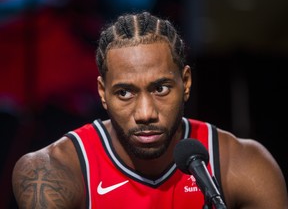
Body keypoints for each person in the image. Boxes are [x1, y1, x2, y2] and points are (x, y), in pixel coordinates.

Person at [12, 11, 288, 209]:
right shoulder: (51, 172)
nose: (145, 113)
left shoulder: (244, 165)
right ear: (102, 94)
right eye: (125, 93)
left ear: (186, 83)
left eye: (160, 89)